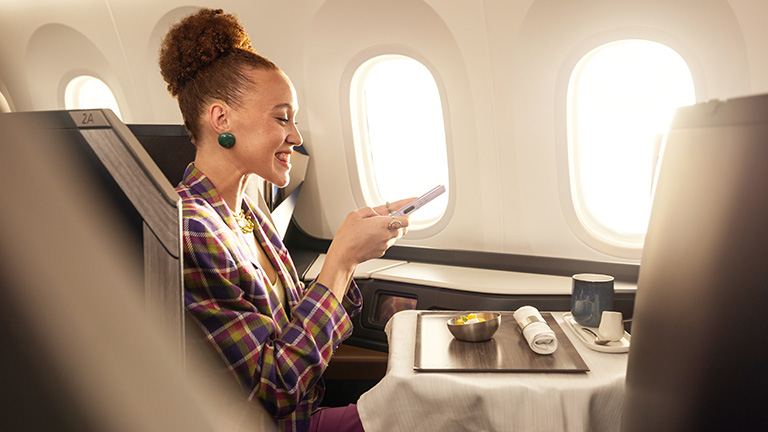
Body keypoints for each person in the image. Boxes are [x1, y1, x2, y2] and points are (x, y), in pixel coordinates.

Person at [158, 8, 411, 432]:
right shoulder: (190, 229)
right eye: (282, 117)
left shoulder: (249, 210)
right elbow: (275, 388)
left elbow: (296, 327)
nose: (295, 136)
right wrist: (341, 260)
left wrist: (353, 255)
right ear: (221, 119)